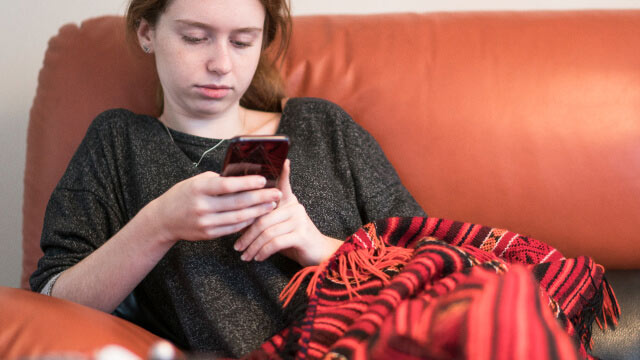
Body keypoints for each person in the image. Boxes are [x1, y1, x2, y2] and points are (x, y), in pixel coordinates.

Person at [30, 0, 426, 356]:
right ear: (147, 32)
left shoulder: (323, 127)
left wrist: (320, 247)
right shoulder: (118, 142)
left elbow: (439, 262)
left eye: (242, 42)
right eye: (196, 38)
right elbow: (51, 300)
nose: (221, 64)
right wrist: (159, 224)